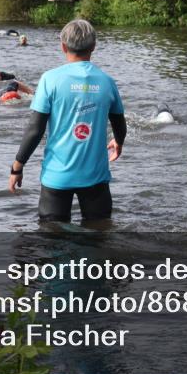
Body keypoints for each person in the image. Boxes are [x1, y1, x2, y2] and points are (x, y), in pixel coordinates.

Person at [8, 19, 126, 224]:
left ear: (63, 46)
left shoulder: (50, 79)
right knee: (98, 239)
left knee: (52, 239)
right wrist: (118, 141)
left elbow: (35, 130)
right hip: (95, 178)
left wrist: (17, 166)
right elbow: (119, 124)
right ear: (94, 46)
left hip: (57, 177)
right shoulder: (107, 82)